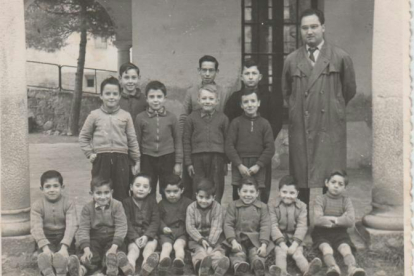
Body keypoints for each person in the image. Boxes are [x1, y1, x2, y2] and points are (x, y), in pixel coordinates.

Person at [282, 8, 356, 207]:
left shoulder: (340, 57)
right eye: (305, 28)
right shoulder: (291, 60)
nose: (309, 31)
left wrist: (334, 107)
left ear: (323, 27)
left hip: (329, 124)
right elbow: (286, 92)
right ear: (300, 30)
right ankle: (301, 221)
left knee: (330, 174)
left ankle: (329, 220)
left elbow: (348, 90)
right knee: (301, 174)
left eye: (314, 26)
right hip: (302, 125)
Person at [224, 59, 283, 204]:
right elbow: (227, 123)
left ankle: (259, 218)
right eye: (247, 73)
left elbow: (276, 122)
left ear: (260, 76)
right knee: (239, 188)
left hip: (261, 153)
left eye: (254, 73)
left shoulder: (269, 97)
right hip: (241, 154)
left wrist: (263, 142)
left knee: (262, 187)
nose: (250, 77)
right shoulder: (235, 98)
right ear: (241, 77)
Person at [179, 55, 232, 199]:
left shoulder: (224, 92)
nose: (207, 74)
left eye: (211, 70)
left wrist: (227, 159)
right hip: (196, 146)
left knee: (216, 185)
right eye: (204, 70)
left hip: (216, 149)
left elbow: (225, 123)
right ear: (199, 70)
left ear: (217, 71)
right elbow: (184, 118)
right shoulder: (191, 92)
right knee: (195, 185)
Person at [79, 77, 140, 202]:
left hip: (122, 159)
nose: (111, 97)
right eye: (107, 94)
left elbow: (132, 139)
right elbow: (83, 137)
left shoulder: (125, 115)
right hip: (101, 159)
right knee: (101, 191)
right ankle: (102, 220)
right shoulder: (94, 115)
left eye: (115, 94)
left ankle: (121, 220)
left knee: (122, 192)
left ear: (119, 96)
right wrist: (89, 153)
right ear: (101, 96)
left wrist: (137, 160)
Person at [76, 177, 134, 276]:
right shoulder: (87, 208)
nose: (103, 197)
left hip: (112, 239)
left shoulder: (117, 205)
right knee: (90, 256)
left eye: (106, 193)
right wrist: (86, 249)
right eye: (98, 193)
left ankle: (109, 269)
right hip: (95, 239)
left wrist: (113, 247)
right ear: (92, 194)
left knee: (115, 253)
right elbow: (84, 228)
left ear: (111, 192)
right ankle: (81, 270)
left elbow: (121, 226)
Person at [312, 170, 365, 276]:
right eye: (333, 182)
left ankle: (352, 268)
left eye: (340, 184)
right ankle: (333, 268)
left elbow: (350, 221)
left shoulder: (346, 201)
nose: (336, 186)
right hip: (322, 233)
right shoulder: (320, 199)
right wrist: (341, 219)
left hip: (340, 233)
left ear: (345, 187)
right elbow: (317, 220)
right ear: (327, 183)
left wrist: (332, 220)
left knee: (345, 248)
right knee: (326, 249)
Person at [135, 81, 183, 198]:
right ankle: (149, 214)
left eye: (159, 96)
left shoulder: (172, 118)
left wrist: (177, 163)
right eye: (152, 97)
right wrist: (137, 161)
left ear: (165, 98)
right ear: (146, 98)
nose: (155, 100)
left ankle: (164, 214)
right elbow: (136, 141)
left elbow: (178, 141)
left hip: (167, 157)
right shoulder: (140, 118)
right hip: (147, 158)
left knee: (166, 188)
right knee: (148, 189)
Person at [225, 90, 275, 202]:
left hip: (258, 165)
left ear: (258, 103)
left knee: (257, 194)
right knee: (238, 193)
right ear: (241, 105)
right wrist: (239, 164)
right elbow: (229, 145)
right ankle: (238, 218)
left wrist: (258, 165)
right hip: (240, 165)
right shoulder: (236, 123)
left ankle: (257, 218)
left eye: (253, 101)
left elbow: (270, 148)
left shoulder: (265, 124)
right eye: (246, 102)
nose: (250, 104)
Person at [183, 84, 229, 202]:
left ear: (217, 101)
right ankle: (198, 215)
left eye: (211, 99)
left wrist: (226, 161)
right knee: (198, 186)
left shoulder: (223, 118)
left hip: (217, 157)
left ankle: (215, 215)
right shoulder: (191, 118)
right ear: (198, 100)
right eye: (204, 99)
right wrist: (188, 163)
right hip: (197, 158)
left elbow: (227, 140)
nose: (207, 101)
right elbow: (186, 141)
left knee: (217, 186)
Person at [268, 175, 321, 276]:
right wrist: (282, 243)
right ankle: (282, 273)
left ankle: (307, 270)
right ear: (279, 192)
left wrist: (295, 244)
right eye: (284, 192)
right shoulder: (272, 205)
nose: (288, 196)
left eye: (292, 193)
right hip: (279, 238)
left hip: (294, 237)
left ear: (297, 193)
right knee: (280, 253)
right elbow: (273, 225)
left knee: (298, 253)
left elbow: (302, 226)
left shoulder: (302, 206)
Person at [31, 170, 80, 276]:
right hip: (47, 239)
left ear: (62, 187)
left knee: (66, 255)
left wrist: (64, 247)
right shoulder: (37, 205)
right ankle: (50, 271)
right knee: (45, 257)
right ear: (41, 189)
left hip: (64, 238)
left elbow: (72, 225)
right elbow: (36, 227)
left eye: (55, 186)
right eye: (48, 187)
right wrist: (45, 248)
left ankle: (66, 266)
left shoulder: (68, 203)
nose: (52, 190)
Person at [223, 178, 274, 276]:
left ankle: (258, 266)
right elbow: (228, 224)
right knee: (238, 253)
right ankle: (238, 266)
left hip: (255, 239)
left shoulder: (262, 207)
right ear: (238, 192)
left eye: (252, 191)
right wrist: (232, 241)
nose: (248, 195)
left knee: (256, 252)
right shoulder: (233, 205)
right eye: (244, 191)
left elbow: (265, 226)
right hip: (238, 239)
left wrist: (263, 244)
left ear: (257, 193)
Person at [186, 178, 230, 276]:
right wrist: (200, 240)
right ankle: (200, 267)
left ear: (213, 197)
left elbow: (217, 227)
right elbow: (190, 227)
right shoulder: (191, 208)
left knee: (217, 252)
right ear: (196, 195)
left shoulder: (217, 208)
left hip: (214, 239)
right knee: (200, 251)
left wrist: (211, 244)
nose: (203, 201)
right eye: (201, 197)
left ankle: (218, 267)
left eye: (207, 198)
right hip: (197, 239)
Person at [122, 173, 160, 276]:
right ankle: (129, 267)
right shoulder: (126, 203)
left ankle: (146, 267)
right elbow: (126, 222)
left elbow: (155, 221)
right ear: (131, 187)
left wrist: (147, 236)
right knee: (133, 250)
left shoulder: (152, 202)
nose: (141, 189)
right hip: (133, 236)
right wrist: (134, 237)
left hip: (149, 236)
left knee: (149, 249)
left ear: (150, 190)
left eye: (145, 187)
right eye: (137, 185)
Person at [157, 175, 193, 276]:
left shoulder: (188, 203)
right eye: (168, 192)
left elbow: (191, 219)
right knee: (166, 246)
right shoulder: (161, 204)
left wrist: (186, 230)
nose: (172, 195)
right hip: (166, 233)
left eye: (175, 191)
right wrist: (163, 227)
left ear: (182, 190)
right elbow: (157, 219)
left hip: (181, 232)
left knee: (179, 245)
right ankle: (163, 262)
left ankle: (179, 262)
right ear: (164, 191)